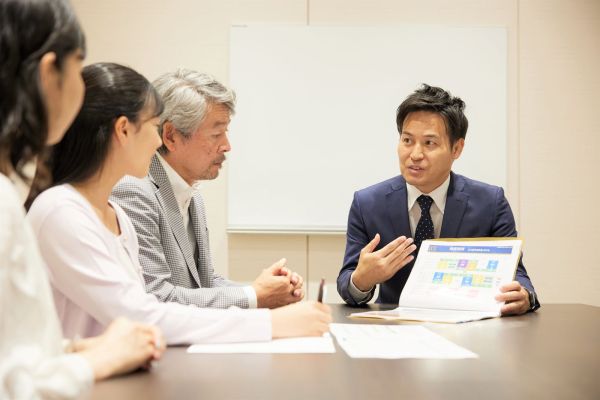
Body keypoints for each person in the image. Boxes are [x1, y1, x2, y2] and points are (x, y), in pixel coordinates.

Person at [27, 62, 332, 346]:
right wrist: (267, 319)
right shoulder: (61, 212)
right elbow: (145, 312)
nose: (157, 141)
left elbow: (163, 300)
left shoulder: (116, 214)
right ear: (123, 130)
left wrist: (259, 299)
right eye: (152, 127)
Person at [0, 1, 164, 398]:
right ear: (48, 73)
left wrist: (71, 350)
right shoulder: (42, 206)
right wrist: (97, 360)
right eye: (77, 66)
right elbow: (17, 385)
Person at [337, 84, 540, 315]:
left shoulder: (490, 203)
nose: (415, 155)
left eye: (429, 143)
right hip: (396, 327)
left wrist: (524, 295)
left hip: (469, 328)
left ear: (457, 148)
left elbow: (516, 273)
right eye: (407, 140)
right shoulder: (367, 203)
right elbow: (348, 282)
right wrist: (361, 280)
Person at [111, 69, 304, 309]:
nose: (227, 146)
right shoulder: (134, 191)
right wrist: (254, 295)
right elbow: (157, 296)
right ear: (171, 136)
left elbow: (204, 282)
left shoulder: (193, 195)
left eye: (225, 133)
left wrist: (268, 290)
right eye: (216, 134)